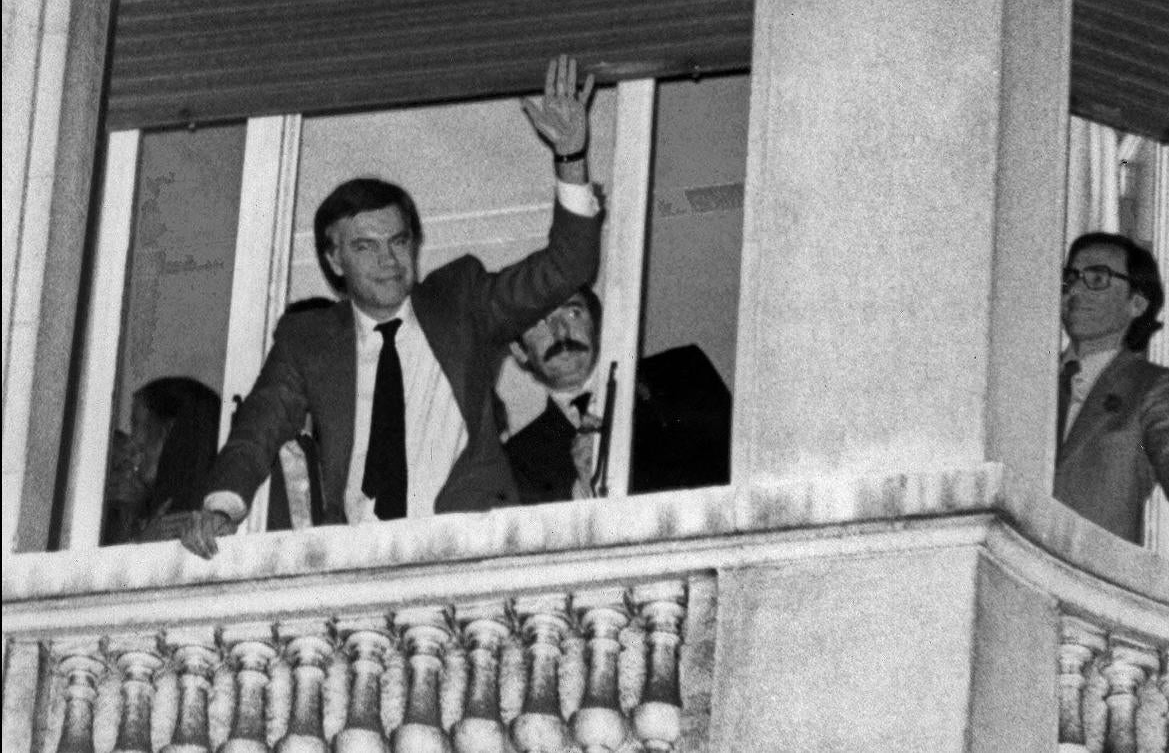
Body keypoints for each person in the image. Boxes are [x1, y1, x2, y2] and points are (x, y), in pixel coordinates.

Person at [181, 55, 602, 558]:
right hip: (362, 556)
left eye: (398, 242)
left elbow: (567, 266)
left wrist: (571, 157)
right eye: (365, 247)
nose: (387, 260)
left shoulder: (462, 299)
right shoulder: (308, 340)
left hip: (465, 545)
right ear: (334, 259)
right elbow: (258, 426)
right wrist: (222, 507)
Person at [1055, 232, 1169, 586]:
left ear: (1137, 303)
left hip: (1093, 581)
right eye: (1070, 278)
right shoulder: (1030, 381)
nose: (1075, 291)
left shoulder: (1151, 386)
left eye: (1097, 278)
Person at [500, 286, 731, 504]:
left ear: (597, 324)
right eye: (538, 323)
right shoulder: (517, 460)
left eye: (573, 313)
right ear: (519, 351)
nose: (561, 332)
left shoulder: (684, 373)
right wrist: (584, 491)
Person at [104, 377, 221, 544]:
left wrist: (142, 545)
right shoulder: (135, 507)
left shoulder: (192, 519)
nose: (132, 443)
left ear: (168, 431)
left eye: (135, 424)